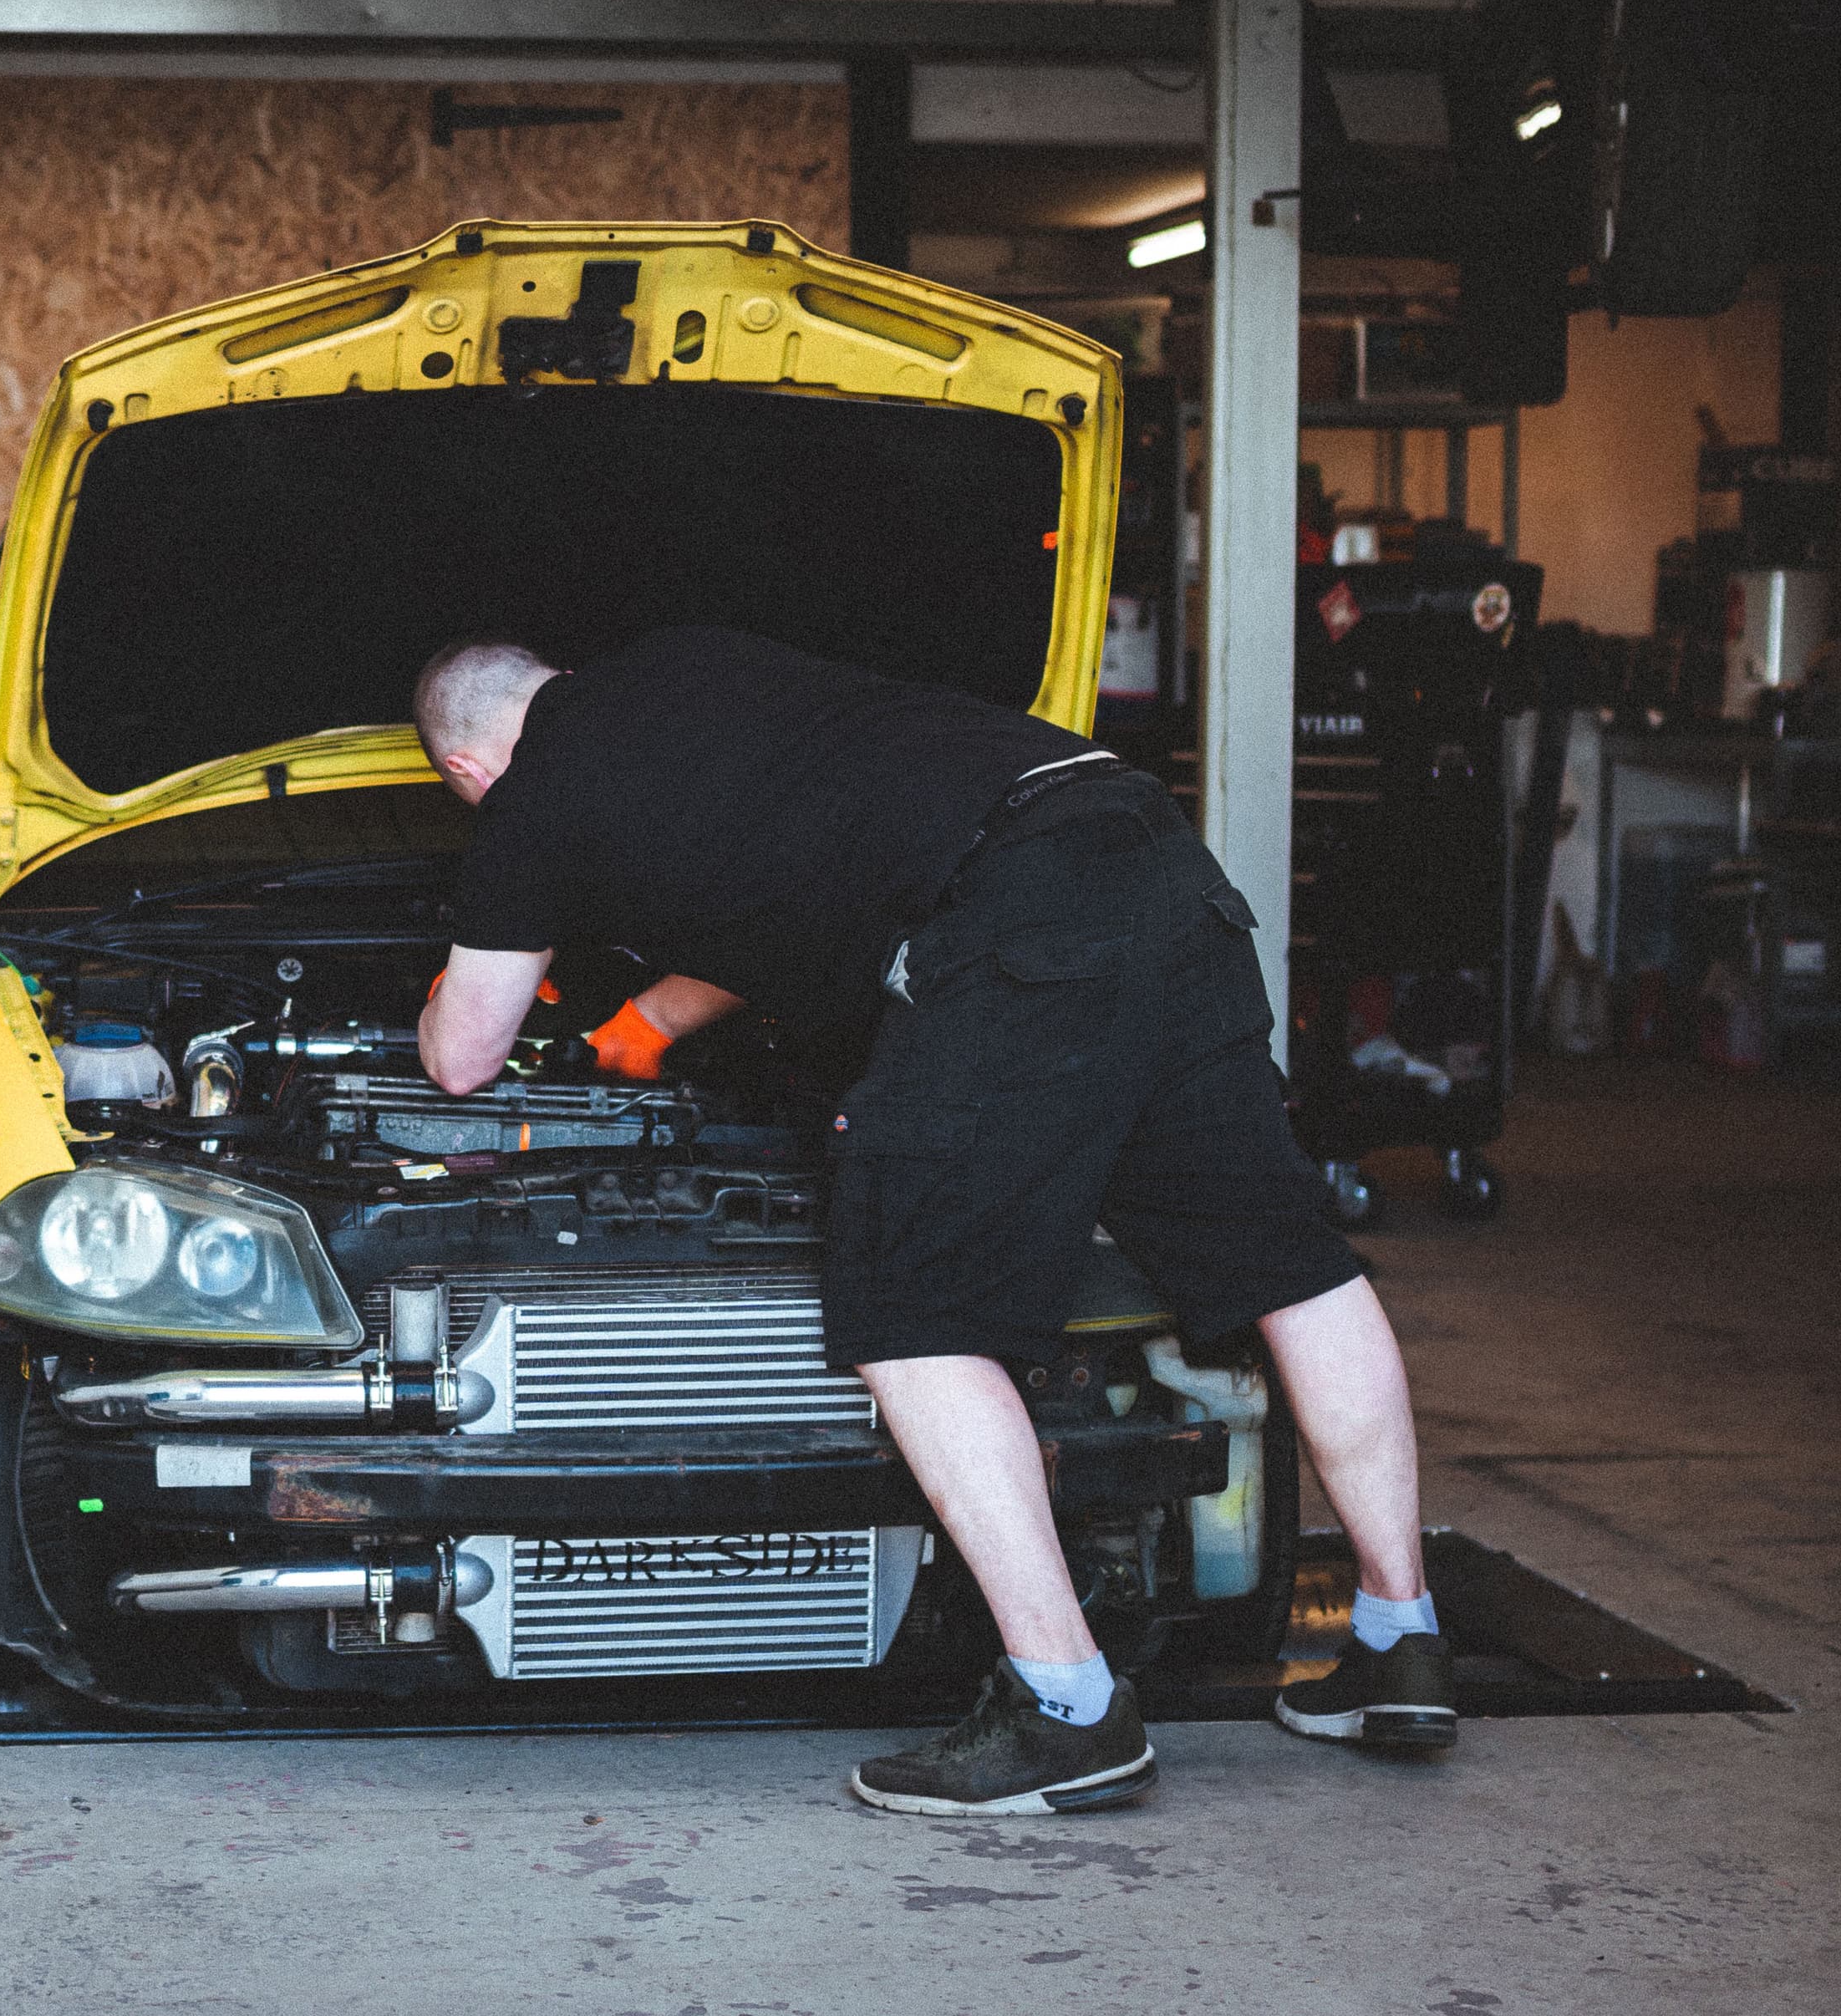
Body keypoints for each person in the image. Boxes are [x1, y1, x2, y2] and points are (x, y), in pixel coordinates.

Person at [411, 628, 1453, 1817]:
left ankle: (1067, 1710)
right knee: (1293, 1267)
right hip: (1150, 862)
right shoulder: (705, 675)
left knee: (911, 1318)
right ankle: (1399, 1639)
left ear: (467, 771)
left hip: (1013, 929)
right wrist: (649, 1022)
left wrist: (443, 989)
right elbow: (804, 877)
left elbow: (464, 1059)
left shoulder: (532, 802)